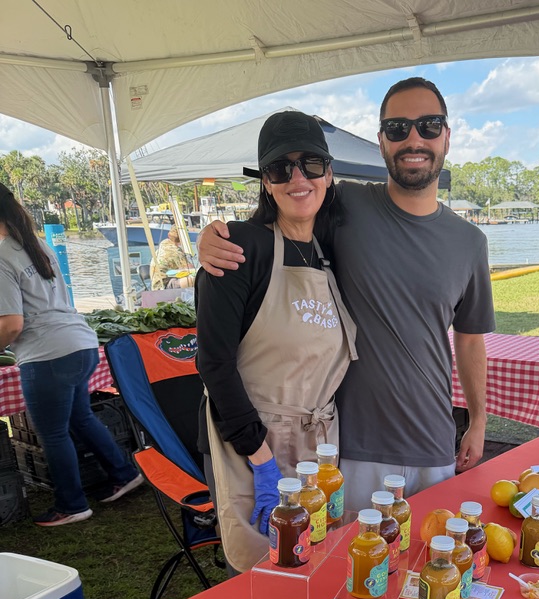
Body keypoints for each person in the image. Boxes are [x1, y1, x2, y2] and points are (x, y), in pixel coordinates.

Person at [198, 77, 495, 511]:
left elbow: (470, 339)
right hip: (349, 444)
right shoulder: (345, 208)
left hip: (433, 437)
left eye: (429, 126)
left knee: (429, 561)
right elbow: (284, 212)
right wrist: (212, 239)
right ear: (381, 141)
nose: (414, 138)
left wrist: (479, 420)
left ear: (447, 137)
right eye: (397, 128)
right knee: (349, 566)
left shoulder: (470, 242)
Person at [195, 111, 358, 573]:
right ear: (266, 182)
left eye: (310, 165)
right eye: (280, 169)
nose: (296, 178)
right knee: (258, 572)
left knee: (318, 562)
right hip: (250, 443)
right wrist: (262, 462)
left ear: (328, 173)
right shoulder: (240, 247)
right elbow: (215, 365)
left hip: (320, 444)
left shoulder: (328, 245)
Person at [0, 182, 143, 525]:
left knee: (53, 432)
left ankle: (72, 503)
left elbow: (12, 325)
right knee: (80, 417)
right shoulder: (37, 246)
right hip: (80, 344)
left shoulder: (2, 256)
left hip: (47, 353)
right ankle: (124, 473)